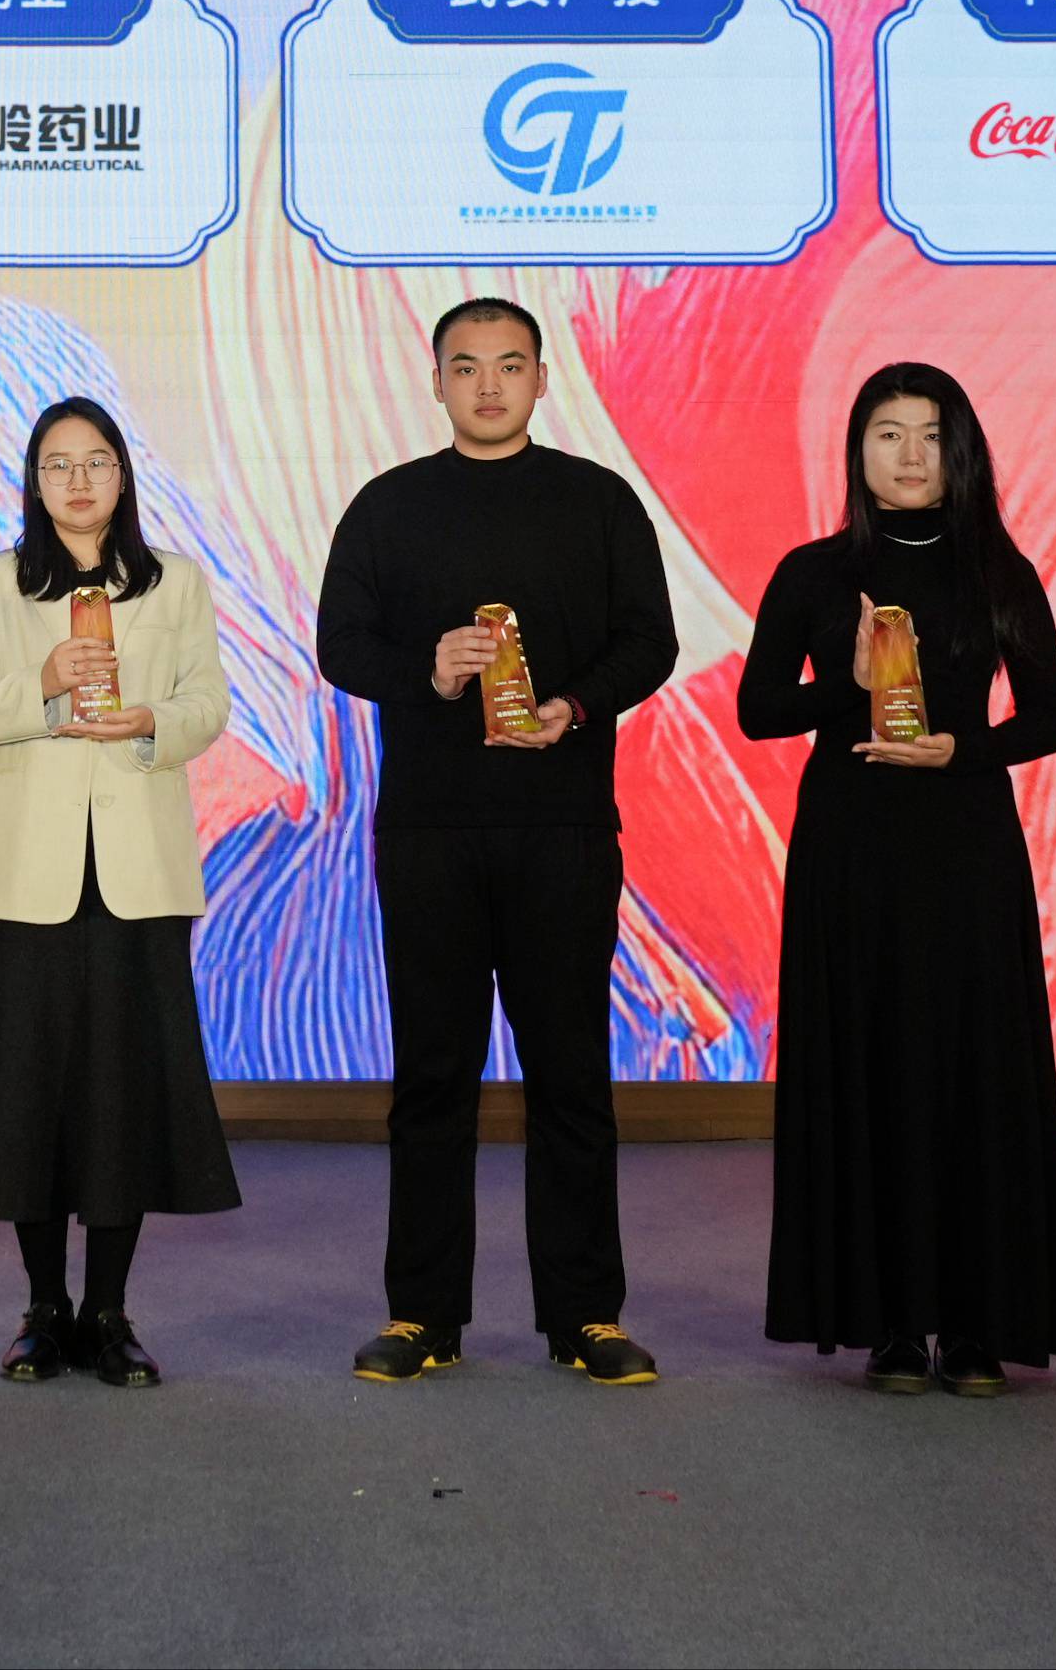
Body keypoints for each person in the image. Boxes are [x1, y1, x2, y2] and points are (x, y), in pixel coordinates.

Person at [315, 297, 678, 1385]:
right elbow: (340, 643)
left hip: (563, 827)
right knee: (433, 1074)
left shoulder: (598, 500)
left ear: (541, 379)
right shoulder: (389, 505)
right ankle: (423, 1312)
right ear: (435, 381)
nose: (487, 385)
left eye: (509, 365)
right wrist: (425, 673)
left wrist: (574, 703)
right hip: (430, 830)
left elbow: (650, 640)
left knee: (572, 1074)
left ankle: (587, 1315)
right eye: (466, 366)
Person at [741, 361, 1056, 1398]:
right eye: (888, 433)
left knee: (974, 1070)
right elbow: (759, 710)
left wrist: (960, 750)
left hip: (965, 843)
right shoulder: (813, 572)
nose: (909, 455)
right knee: (870, 1067)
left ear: (960, 451)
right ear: (857, 451)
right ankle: (890, 1322)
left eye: (931, 435)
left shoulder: (998, 572)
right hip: (850, 851)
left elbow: (1049, 717)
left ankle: (977, 1322)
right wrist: (843, 689)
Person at [0, 396, 241, 1387]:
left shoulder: (175, 581)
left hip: (137, 874)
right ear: (34, 481)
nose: (77, 480)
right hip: (27, 877)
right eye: (57, 464)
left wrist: (148, 721)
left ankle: (108, 1309)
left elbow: (208, 703)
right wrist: (45, 681)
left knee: (121, 1096)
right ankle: (42, 1307)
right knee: (30, 1094)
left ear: (123, 474)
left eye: (96, 461)